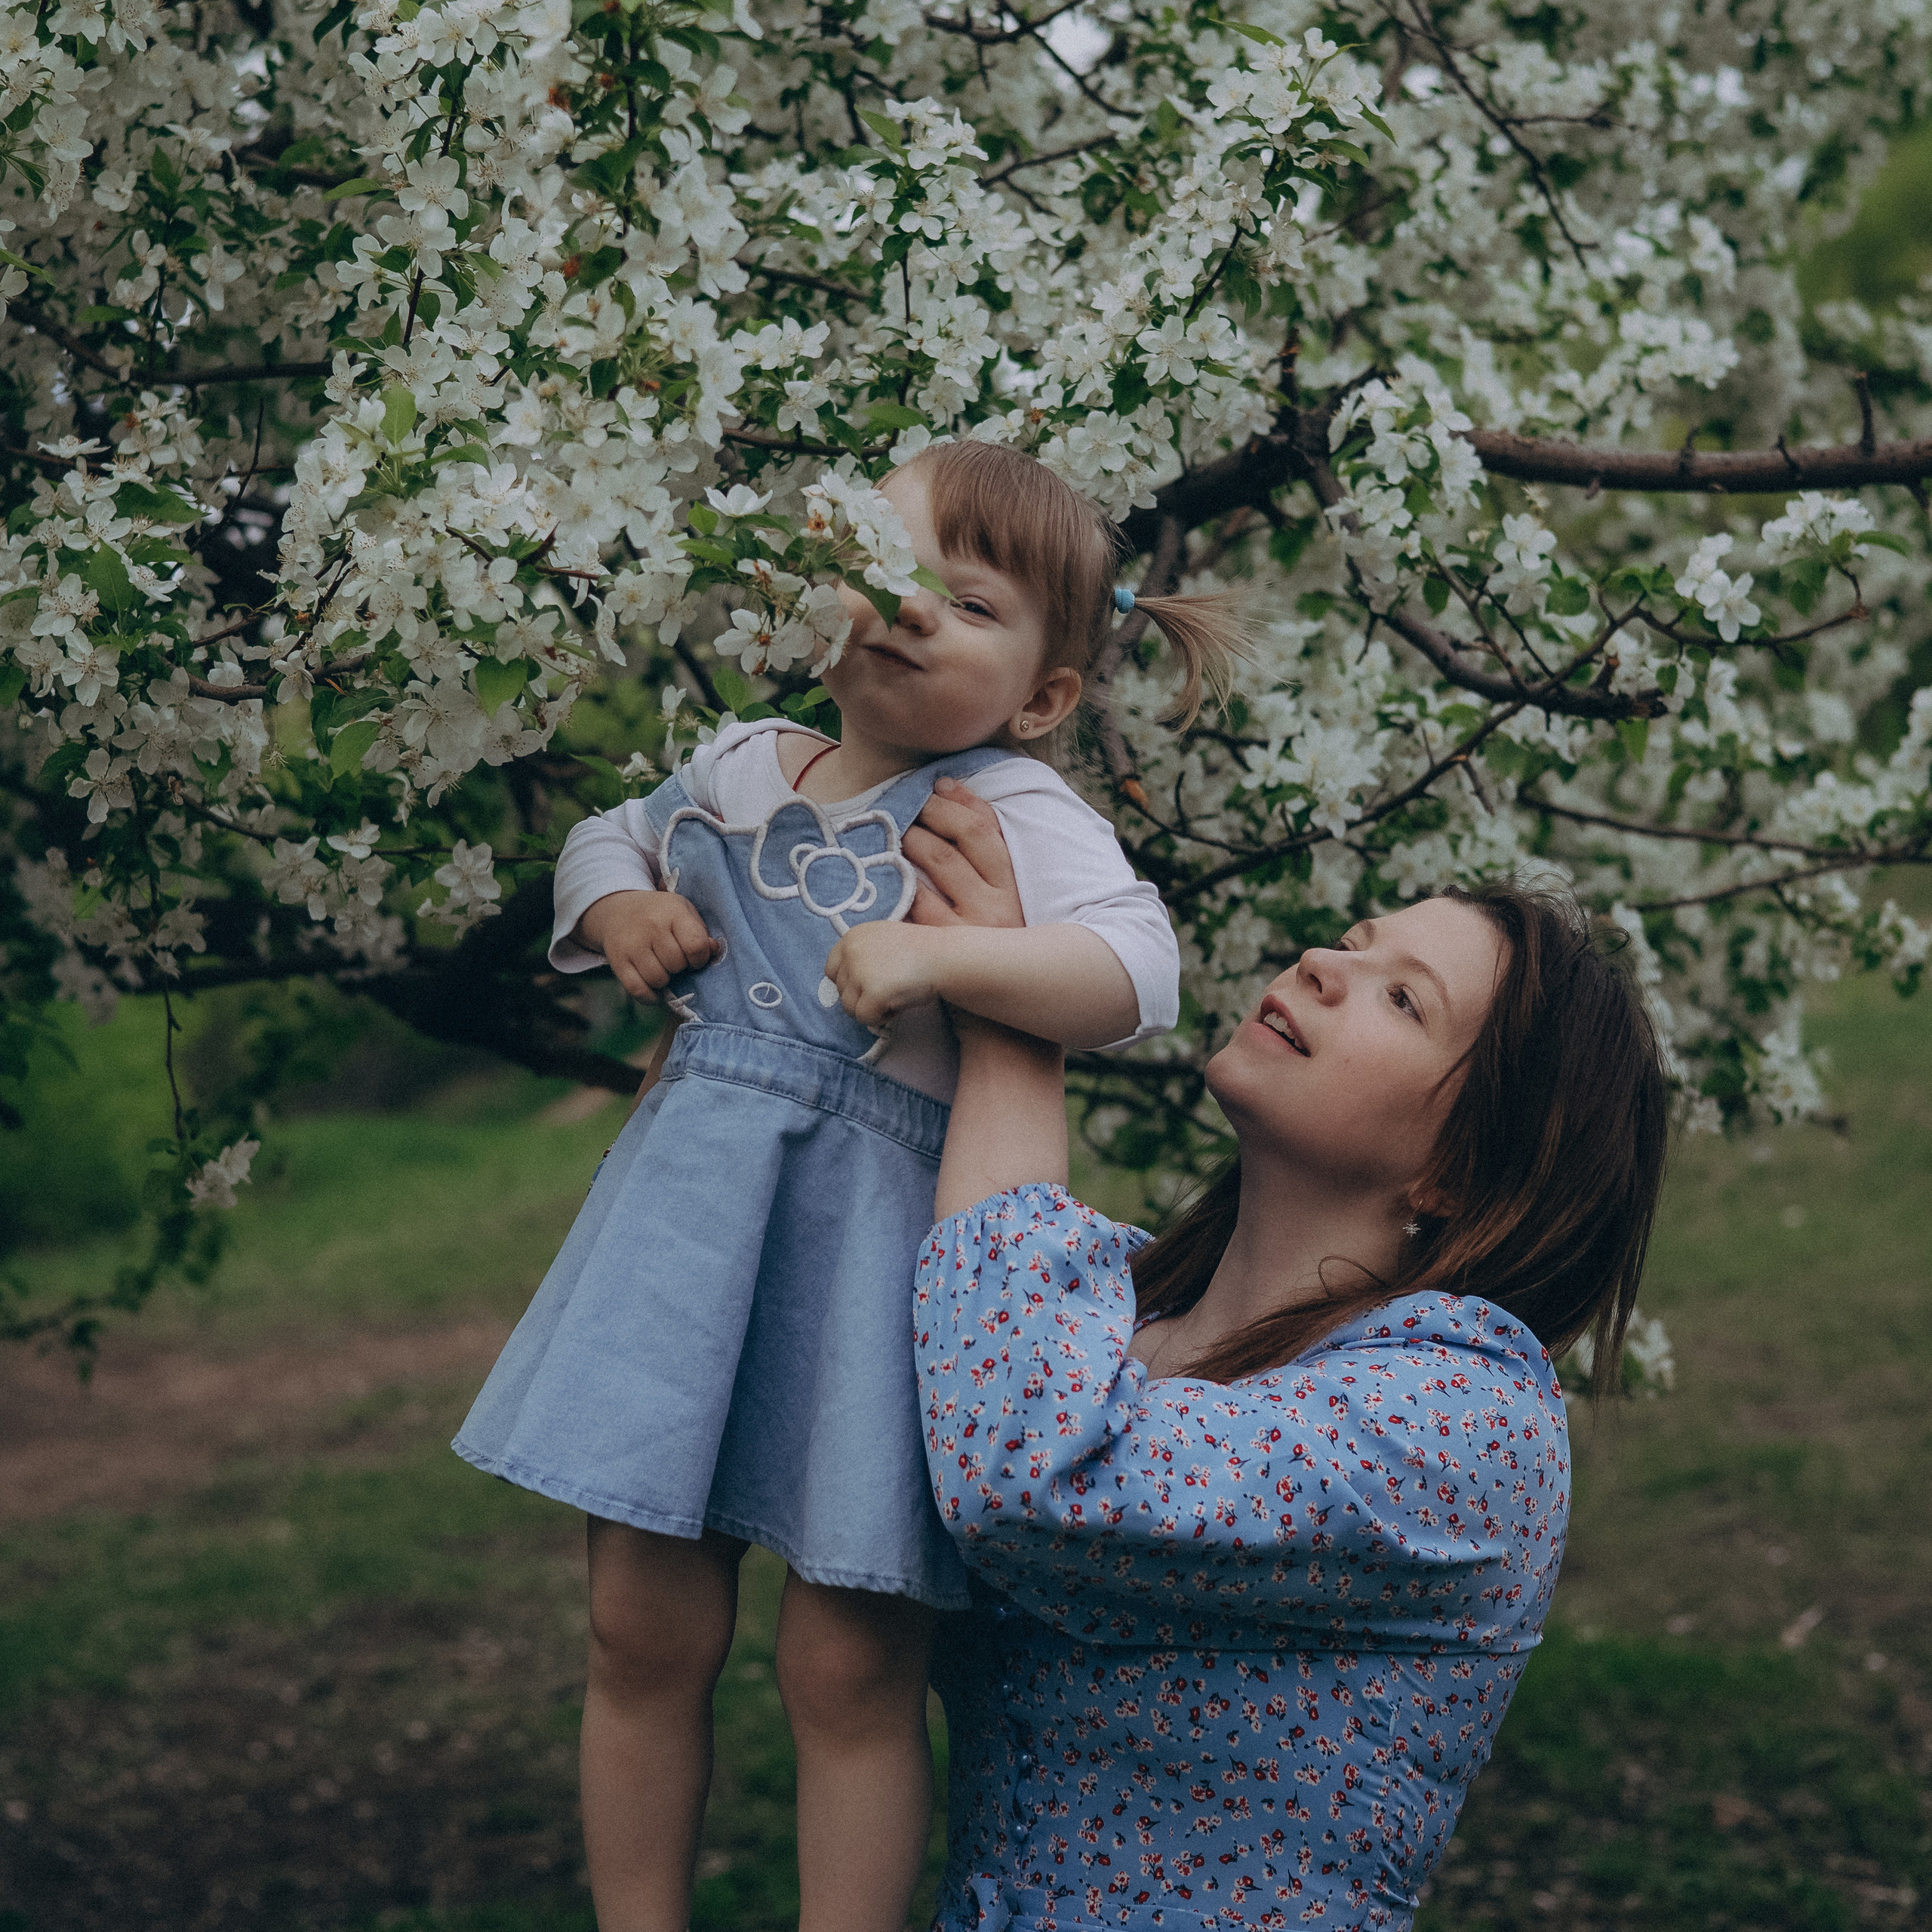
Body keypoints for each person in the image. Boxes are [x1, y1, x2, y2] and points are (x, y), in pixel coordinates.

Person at [452, 441, 1248, 1932]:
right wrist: (619, 902)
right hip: (682, 1238)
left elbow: (1135, 968)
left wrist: (947, 952)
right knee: (636, 1625)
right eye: (881, 580)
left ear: (1042, 695)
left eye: (961, 604)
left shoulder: (1012, 804)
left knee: (846, 1661)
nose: (905, 616)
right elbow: (601, 838)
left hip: (873, 1255)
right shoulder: (739, 760)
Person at [900, 795, 1669, 1929]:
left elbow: (1035, 1472)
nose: (1321, 965)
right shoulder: (1107, 1314)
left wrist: (1016, 1013)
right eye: (1354, 943)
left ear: (1461, 1175)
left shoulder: (1467, 1423)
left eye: (1403, 999)